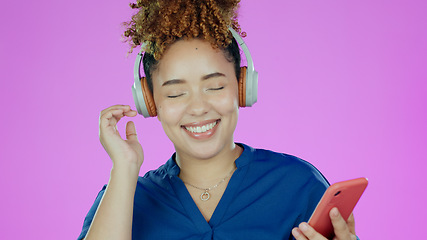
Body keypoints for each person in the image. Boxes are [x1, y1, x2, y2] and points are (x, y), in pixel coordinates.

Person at [78, 0, 359, 239]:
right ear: (150, 102)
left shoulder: (297, 184)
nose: (198, 108)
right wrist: (124, 168)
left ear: (241, 87)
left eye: (214, 87)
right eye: (176, 93)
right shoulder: (122, 197)